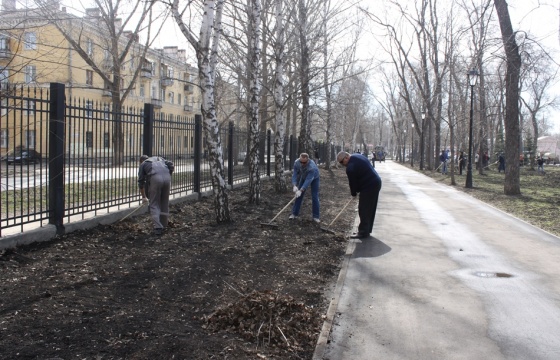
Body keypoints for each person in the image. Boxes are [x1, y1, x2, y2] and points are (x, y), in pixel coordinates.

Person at [337, 151, 382, 239]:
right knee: (369, 208)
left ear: (346, 157)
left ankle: (363, 232)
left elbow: (353, 183)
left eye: (342, 162)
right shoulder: (357, 156)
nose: (342, 165)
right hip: (376, 182)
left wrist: (354, 193)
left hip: (370, 186)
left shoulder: (350, 167)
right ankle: (366, 230)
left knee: (364, 209)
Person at [138, 155, 174, 235]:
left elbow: (141, 182)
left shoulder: (143, 164)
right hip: (167, 178)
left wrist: (144, 197)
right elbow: (171, 164)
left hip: (156, 179)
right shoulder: (159, 158)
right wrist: (169, 174)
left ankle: (158, 227)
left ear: (141, 161)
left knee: (154, 203)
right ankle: (164, 223)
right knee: (164, 201)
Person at [290, 153, 320, 222]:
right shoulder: (297, 163)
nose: (302, 164)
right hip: (304, 176)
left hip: (314, 178)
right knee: (298, 196)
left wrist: (301, 190)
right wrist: (294, 185)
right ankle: (294, 214)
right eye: (301, 162)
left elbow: (308, 180)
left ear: (308, 160)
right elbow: (294, 174)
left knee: (314, 196)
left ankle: (316, 217)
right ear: (299, 159)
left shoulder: (312, 167)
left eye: (304, 162)